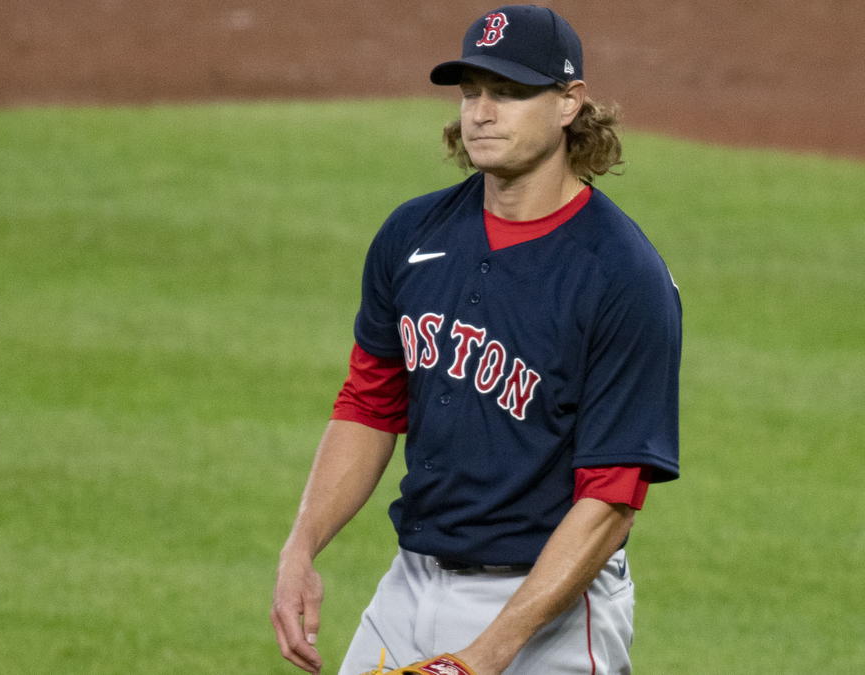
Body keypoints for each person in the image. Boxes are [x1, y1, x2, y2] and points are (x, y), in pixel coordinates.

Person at [269, 6, 681, 675]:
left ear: (570, 103)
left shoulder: (622, 275)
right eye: (471, 91)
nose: (483, 111)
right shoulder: (412, 236)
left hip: (547, 610)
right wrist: (301, 548)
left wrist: (483, 655)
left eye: (511, 92)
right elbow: (370, 405)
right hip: (410, 584)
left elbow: (610, 500)